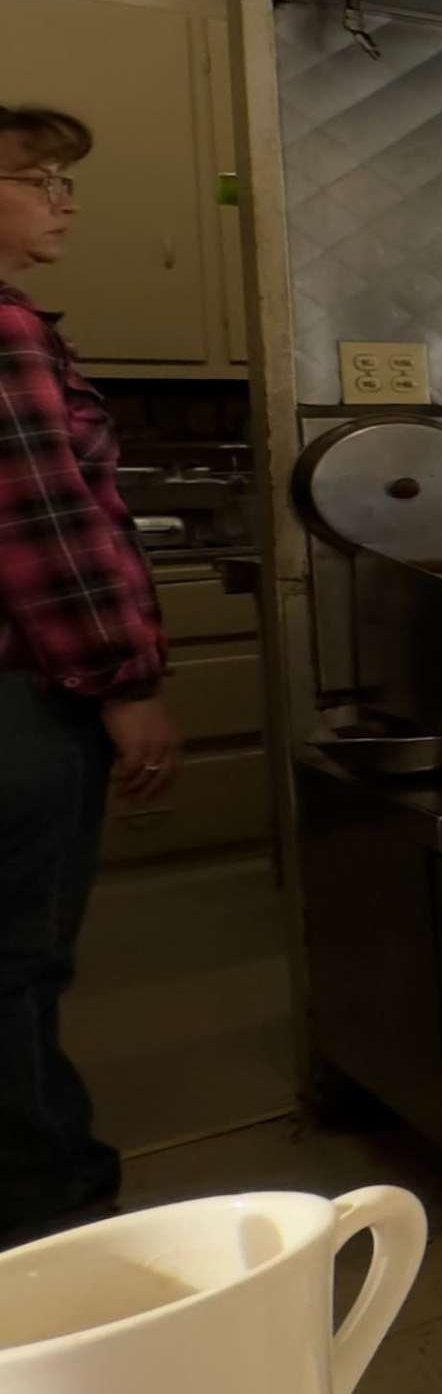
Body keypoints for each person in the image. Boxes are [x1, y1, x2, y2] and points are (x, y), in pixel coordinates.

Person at [0, 106, 177, 1248]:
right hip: (21, 700)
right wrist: (125, 685)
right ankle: (51, 1210)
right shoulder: (5, 331)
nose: (65, 200)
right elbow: (48, 527)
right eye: (37, 178)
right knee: (18, 959)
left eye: (68, 181)